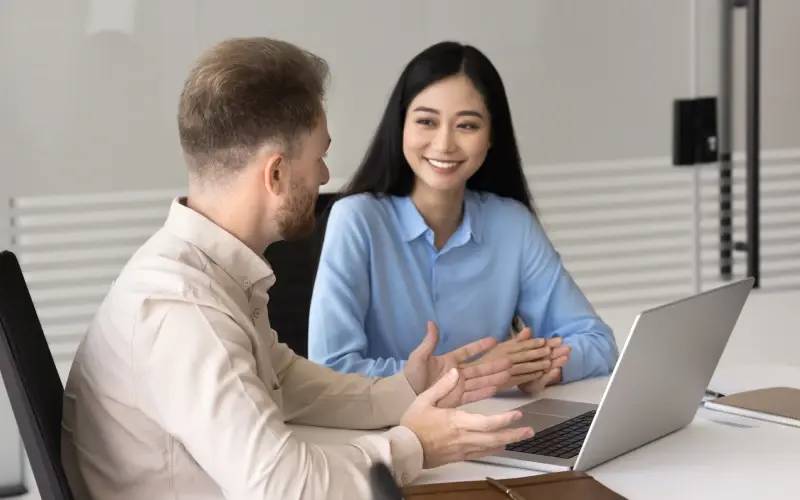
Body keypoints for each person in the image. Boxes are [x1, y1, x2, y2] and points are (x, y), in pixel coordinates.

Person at [60, 37, 535, 500]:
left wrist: (407, 388)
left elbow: (282, 379)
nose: (327, 176)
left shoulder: (209, 273)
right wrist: (416, 446)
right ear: (276, 174)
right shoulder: (184, 313)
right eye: (319, 156)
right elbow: (282, 487)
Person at [307, 41, 619, 393]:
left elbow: (598, 343)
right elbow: (332, 370)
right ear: (401, 127)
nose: (444, 144)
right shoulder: (358, 220)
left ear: (491, 137)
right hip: (389, 435)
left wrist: (536, 366)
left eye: (467, 126)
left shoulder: (511, 224)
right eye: (426, 121)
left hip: (497, 427)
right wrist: (478, 372)